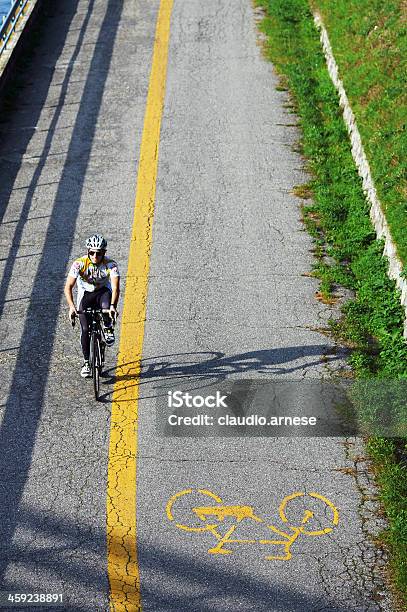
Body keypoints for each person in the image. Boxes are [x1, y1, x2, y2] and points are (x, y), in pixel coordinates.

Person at [64, 234, 120, 378]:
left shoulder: (111, 265)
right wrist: (71, 307)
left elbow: (115, 288)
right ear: (88, 252)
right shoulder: (79, 264)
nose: (95, 256)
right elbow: (68, 287)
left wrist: (113, 306)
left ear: (104, 253)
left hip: (103, 293)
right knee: (85, 329)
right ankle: (86, 363)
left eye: (99, 253)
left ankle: (107, 328)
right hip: (86, 295)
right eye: (92, 253)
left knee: (107, 306)